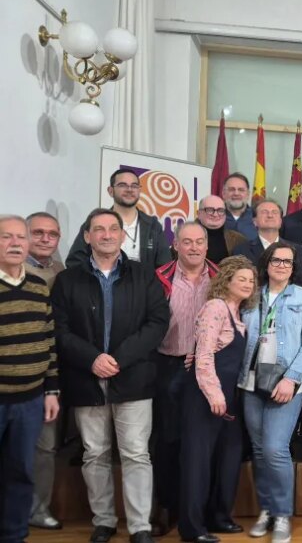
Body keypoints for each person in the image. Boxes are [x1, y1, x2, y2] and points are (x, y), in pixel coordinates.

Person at [52, 208, 170, 543]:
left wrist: (118, 359)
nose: (106, 234)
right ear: (87, 236)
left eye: (113, 229)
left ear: (122, 235)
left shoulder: (144, 275)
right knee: (95, 454)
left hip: (133, 378)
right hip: (85, 379)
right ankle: (103, 521)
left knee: (136, 453)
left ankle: (139, 526)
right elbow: (59, 330)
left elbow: (158, 322)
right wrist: (92, 359)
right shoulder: (67, 280)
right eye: (98, 229)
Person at [240, 242, 302, 543]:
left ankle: (283, 513)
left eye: (288, 261)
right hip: (250, 381)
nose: (282, 265)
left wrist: (292, 379)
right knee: (259, 450)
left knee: (275, 448)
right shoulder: (250, 294)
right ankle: (268, 509)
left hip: (287, 383)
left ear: (294, 267)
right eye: (276, 260)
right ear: (266, 262)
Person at [177, 256, 256, 543]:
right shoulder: (215, 307)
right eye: (242, 279)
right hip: (205, 396)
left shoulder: (239, 314)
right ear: (227, 281)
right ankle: (192, 528)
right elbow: (204, 355)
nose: (248, 284)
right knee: (197, 462)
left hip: (228, 397)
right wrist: (214, 394)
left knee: (228, 457)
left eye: (251, 280)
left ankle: (219, 517)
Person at [152, 222, 218, 536]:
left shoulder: (221, 278)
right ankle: (166, 507)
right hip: (168, 365)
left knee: (200, 444)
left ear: (207, 245)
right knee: (166, 440)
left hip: (209, 369)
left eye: (199, 241)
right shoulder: (158, 276)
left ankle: (197, 511)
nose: (193, 247)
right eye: (187, 242)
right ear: (175, 245)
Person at [0, 215, 60, 543]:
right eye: (6, 237)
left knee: (21, 474)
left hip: (31, 399)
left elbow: (48, 340)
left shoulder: (38, 286)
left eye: (20, 238)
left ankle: (14, 535)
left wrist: (51, 389)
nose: (15, 243)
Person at [23, 212, 65, 531]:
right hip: (12, 375)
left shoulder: (59, 270)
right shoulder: (10, 270)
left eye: (52, 234)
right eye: (38, 233)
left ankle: (38, 508)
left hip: (48, 374)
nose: (45, 239)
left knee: (45, 446)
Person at [66, 169, 171, 270]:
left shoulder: (153, 225)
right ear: (111, 191)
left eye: (134, 186)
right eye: (122, 185)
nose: (129, 189)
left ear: (139, 190)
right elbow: (74, 262)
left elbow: (165, 267)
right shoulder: (95, 222)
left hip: (142, 287)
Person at [231, 199, 302, 289]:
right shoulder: (241, 251)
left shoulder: (297, 250)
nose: (270, 215)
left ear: (280, 221)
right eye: (264, 212)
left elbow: (301, 283)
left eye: (274, 212)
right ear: (254, 221)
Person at [197, 195, 248, 265]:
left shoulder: (239, 240)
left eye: (220, 210)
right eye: (210, 210)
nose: (215, 214)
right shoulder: (184, 236)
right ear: (199, 213)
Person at [222, 173, 257, 240]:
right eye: (231, 189)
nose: (236, 193)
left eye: (241, 190)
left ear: (248, 194)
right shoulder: (213, 217)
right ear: (223, 193)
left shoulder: (258, 216)